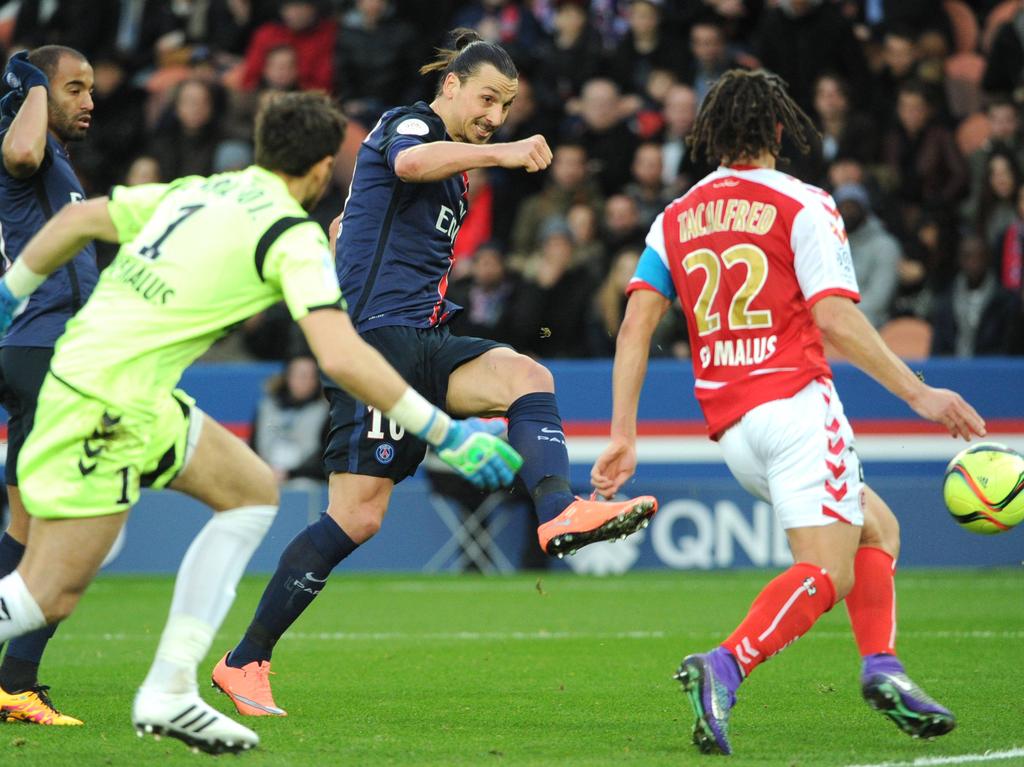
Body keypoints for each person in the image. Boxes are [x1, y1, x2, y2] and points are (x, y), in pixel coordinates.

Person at [0, 91, 523, 754]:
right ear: (319, 168)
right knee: (49, 591)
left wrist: (8, 295)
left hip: (130, 390)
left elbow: (78, 223)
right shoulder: (291, 235)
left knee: (251, 490)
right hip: (104, 405)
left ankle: (169, 689)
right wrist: (448, 432)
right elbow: (342, 357)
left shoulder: (201, 189)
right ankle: (165, 686)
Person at [212, 28, 656, 718]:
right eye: (486, 99)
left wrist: (352, 234)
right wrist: (503, 152)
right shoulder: (409, 125)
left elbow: (364, 220)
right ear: (451, 86)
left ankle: (558, 510)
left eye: (505, 108)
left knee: (526, 376)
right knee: (357, 517)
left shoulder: (454, 171)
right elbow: (411, 163)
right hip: (376, 348)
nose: (495, 116)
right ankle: (245, 660)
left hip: (426, 335)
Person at [591, 70, 986, 756]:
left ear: (711, 134)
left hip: (734, 429)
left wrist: (623, 431)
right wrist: (919, 392)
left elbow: (634, 327)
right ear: (779, 130)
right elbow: (834, 316)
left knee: (876, 529)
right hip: (797, 405)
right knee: (827, 571)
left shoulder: (676, 215)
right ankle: (725, 664)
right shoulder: (803, 203)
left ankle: (883, 667)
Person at [0, 44, 98, 726]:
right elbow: (21, 157)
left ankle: (12, 680)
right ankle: (18, 680)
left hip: (37, 350)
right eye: (73, 87)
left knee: (27, 524)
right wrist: (30, 86)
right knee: (69, 528)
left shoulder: (59, 159)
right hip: (41, 351)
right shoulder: (26, 145)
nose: (88, 100)